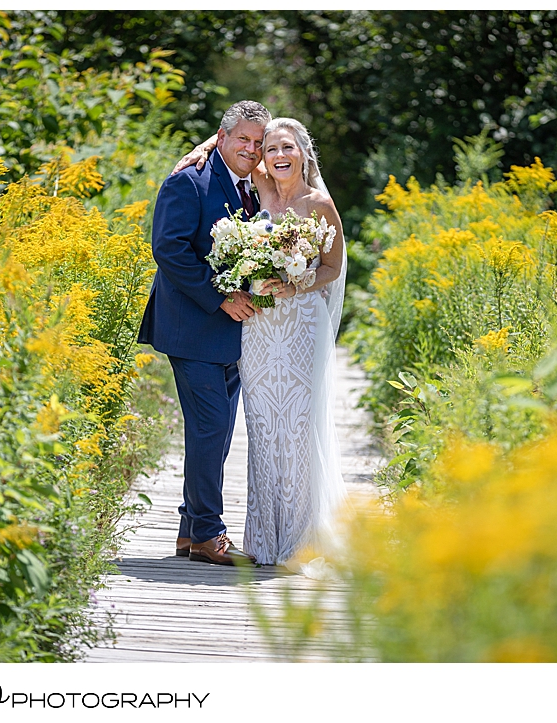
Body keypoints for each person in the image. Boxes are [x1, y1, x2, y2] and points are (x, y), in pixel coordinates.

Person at [173, 117, 348, 576]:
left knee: (297, 426)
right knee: (265, 430)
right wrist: (203, 145)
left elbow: (332, 266)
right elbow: (236, 144)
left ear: (303, 153)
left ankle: (303, 539)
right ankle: (266, 539)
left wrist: (298, 283)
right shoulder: (260, 189)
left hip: (300, 322)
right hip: (258, 328)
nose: (276, 155)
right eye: (271, 149)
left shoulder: (321, 204)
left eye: (286, 147)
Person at [137, 100, 272, 566]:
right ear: (222, 135)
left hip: (233, 336)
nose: (251, 150)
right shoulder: (188, 180)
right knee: (212, 428)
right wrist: (219, 298)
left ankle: (188, 532)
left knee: (213, 433)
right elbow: (169, 250)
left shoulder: (253, 187)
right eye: (243, 140)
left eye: (258, 143)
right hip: (192, 328)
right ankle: (210, 534)